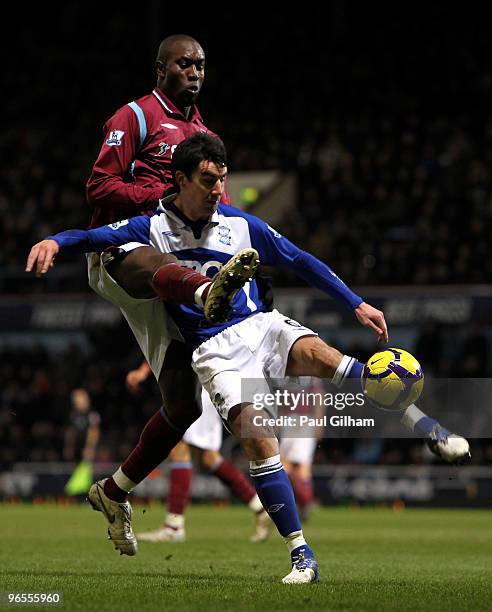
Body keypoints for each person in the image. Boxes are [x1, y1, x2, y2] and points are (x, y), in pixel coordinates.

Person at [26, 133, 470, 583]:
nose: (218, 189)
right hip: (214, 351)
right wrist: (54, 243)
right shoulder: (151, 228)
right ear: (179, 180)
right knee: (260, 442)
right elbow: (92, 237)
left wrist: (355, 303)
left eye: (222, 179)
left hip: (262, 325)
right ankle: (302, 557)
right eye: (207, 180)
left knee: (328, 357)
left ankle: (427, 426)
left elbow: (300, 259)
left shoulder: (240, 224)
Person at [86, 32, 271, 542]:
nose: (194, 71)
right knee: (186, 281)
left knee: (184, 407)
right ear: (161, 68)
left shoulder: (202, 137)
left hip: (174, 270)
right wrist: (160, 191)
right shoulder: (137, 116)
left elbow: (218, 209)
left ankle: (115, 492)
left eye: (201, 65)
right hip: (124, 254)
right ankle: (200, 291)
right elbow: (99, 187)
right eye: (184, 63)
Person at [126, 361, 272, 543]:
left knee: (180, 448)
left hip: (199, 385)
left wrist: (142, 370)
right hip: (210, 382)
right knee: (207, 458)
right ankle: (260, 508)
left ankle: (173, 526)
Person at [63, 388, 100, 496]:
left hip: (87, 449)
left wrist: (90, 447)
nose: (76, 401)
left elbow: (94, 431)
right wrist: (69, 446)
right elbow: (71, 431)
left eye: (78, 398)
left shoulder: (92, 414)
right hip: (77, 448)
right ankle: (77, 494)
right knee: (77, 471)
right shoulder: (73, 414)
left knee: (87, 472)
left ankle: (87, 495)